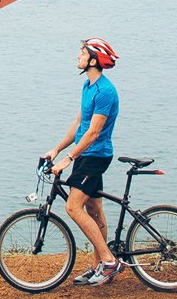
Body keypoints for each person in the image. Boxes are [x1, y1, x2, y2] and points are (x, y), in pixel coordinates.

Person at [41, 38, 123, 284]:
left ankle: (109, 262)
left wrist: (68, 159)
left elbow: (93, 132)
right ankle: (99, 267)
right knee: (94, 210)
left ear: (94, 61)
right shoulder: (88, 86)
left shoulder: (105, 92)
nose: (77, 56)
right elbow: (79, 124)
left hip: (94, 156)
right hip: (85, 154)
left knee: (72, 207)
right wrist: (56, 149)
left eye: (82, 53)